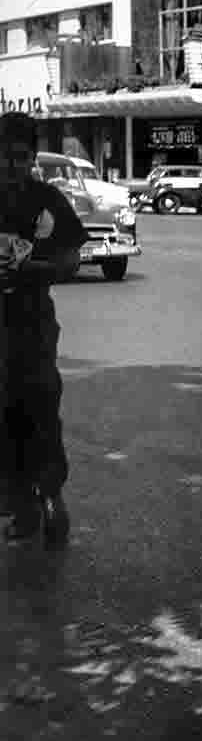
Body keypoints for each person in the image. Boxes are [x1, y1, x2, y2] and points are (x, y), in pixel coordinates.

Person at [0, 112, 87, 546]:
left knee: (40, 412)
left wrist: (32, 267)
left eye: (18, 157)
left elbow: (70, 261)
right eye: (1, 156)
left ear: (31, 159)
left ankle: (52, 497)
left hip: (32, 328)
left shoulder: (47, 199)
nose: (8, 166)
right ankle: (20, 505)